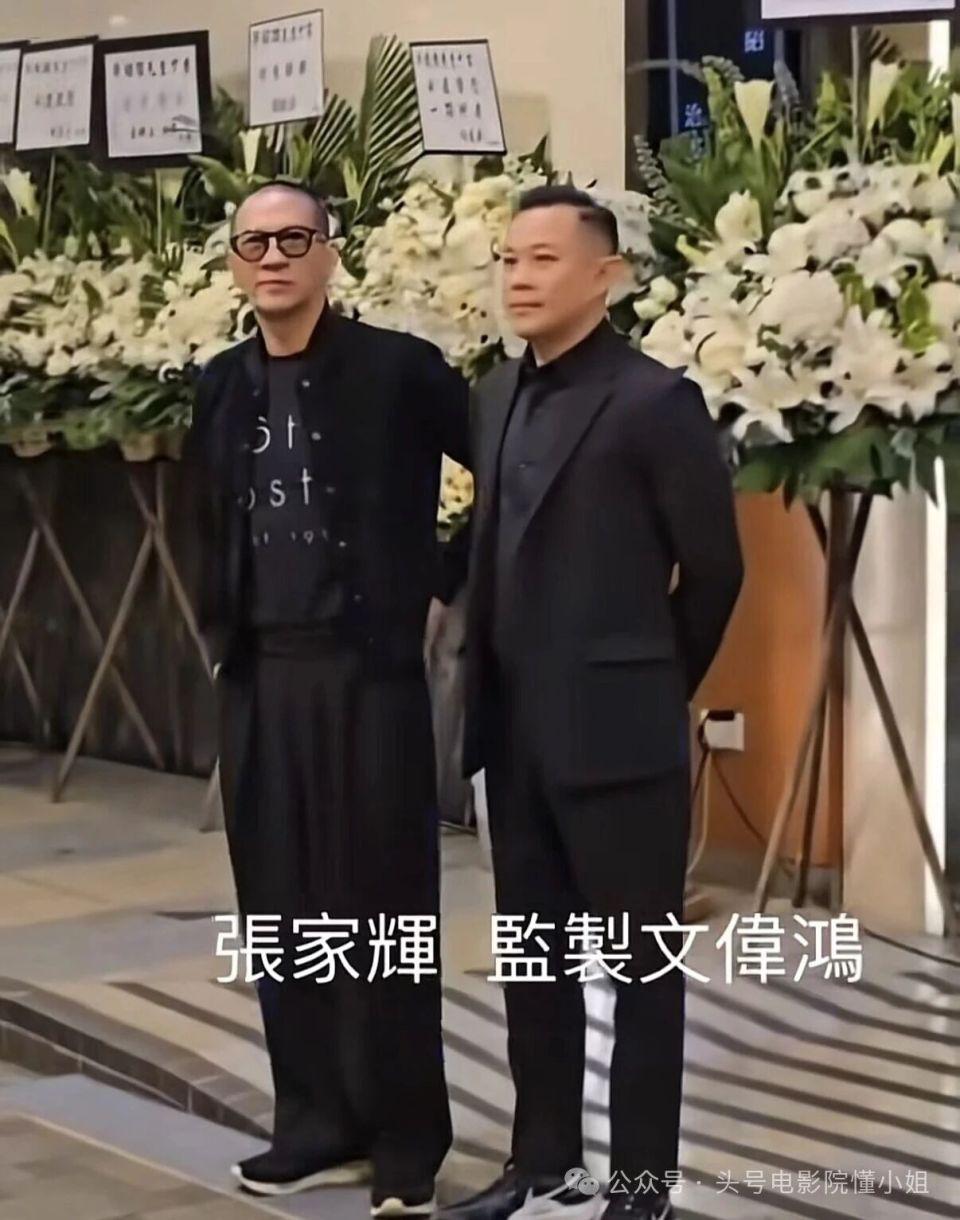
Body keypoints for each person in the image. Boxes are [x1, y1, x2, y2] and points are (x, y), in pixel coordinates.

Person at [444, 185, 744, 1220]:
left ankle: (642, 1187)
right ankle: (541, 1160)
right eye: (509, 259)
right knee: (534, 963)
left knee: (641, 972)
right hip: (513, 732)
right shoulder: (494, 394)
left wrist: (652, 686)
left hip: (620, 737)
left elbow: (715, 571)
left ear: (605, 275)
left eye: (544, 259)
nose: (520, 278)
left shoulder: (656, 402)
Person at [185, 181, 469, 1215]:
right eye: (253, 242)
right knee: (281, 908)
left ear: (329, 253)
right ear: (234, 262)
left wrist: (441, 575)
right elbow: (204, 516)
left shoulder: (399, 369)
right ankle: (313, 1121)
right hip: (263, 676)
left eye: (293, 238)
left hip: (368, 676)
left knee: (383, 907)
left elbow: (510, 466)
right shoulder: (222, 384)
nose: (273, 257)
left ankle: (405, 1138)